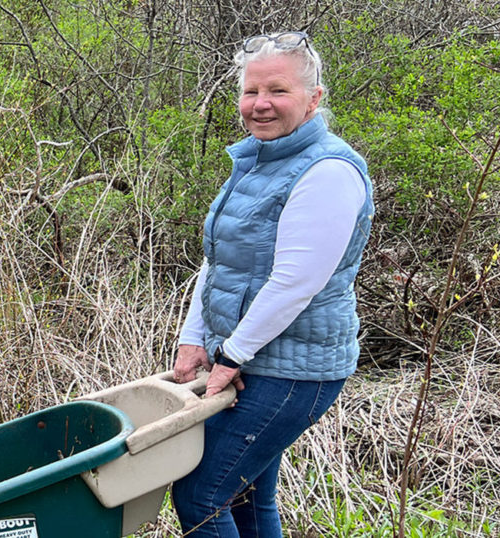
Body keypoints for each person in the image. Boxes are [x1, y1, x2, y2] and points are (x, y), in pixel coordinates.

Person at [170, 31, 373, 538]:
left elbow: (294, 283)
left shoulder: (327, 170)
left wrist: (231, 356)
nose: (260, 105)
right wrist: (194, 337)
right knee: (245, 495)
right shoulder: (258, 160)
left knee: (201, 493)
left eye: (277, 91)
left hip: (293, 371)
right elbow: (220, 263)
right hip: (250, 357)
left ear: (313, 99)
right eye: (250, 91)